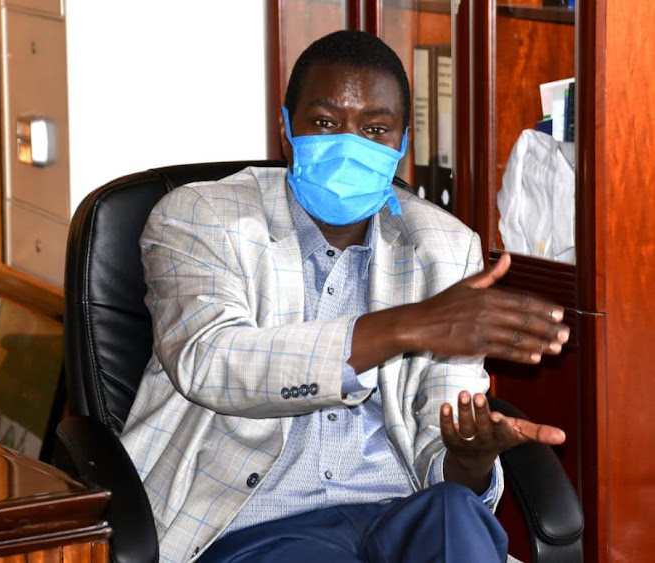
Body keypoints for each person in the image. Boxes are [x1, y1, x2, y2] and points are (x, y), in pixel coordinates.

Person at [121, 30, 569, 563]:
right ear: (287, 129)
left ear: (402, 145)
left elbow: (440, 438)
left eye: (376, 129)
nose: (350, 143)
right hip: (254, 524)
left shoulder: (447, 247)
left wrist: (468, 459)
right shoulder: (200, 216)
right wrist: (405, 326)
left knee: (454, 512)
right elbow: (212, 362)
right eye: (326, 123)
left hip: (398, 511)